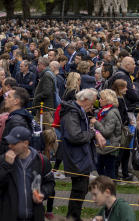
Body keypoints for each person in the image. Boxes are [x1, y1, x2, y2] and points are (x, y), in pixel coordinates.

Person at [0, 126, 54, 221]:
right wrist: (6, 166)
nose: (10, 146)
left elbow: (50, 183)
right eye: (9, 142)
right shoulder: (3, 160)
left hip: (34, 216)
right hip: (8, 216)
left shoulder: (41, 160)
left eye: (14, 143)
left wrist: (43, 193)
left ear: (25, 143)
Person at [60, 88, 106, 221]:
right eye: (92, 103)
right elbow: (75, 136)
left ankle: (74, 216)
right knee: (79, 189)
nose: (92, 107)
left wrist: (94, 133)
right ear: (85, 100)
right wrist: (93, 134)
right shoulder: (71, 113)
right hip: (76, 157)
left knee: (82, 189)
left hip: (81, 156)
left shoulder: (78, 111)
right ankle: (73, 217)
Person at [95, 88, 123, 178]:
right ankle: (105, 187)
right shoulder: (105, 110)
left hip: (110, 147)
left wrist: (95, 123)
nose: (99, 100)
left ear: (108, 100)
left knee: (109, 171)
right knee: (100, 168)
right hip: (104, 146)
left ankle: (109, 189)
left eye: (102, 98)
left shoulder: (111, 113)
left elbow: (107, 132)